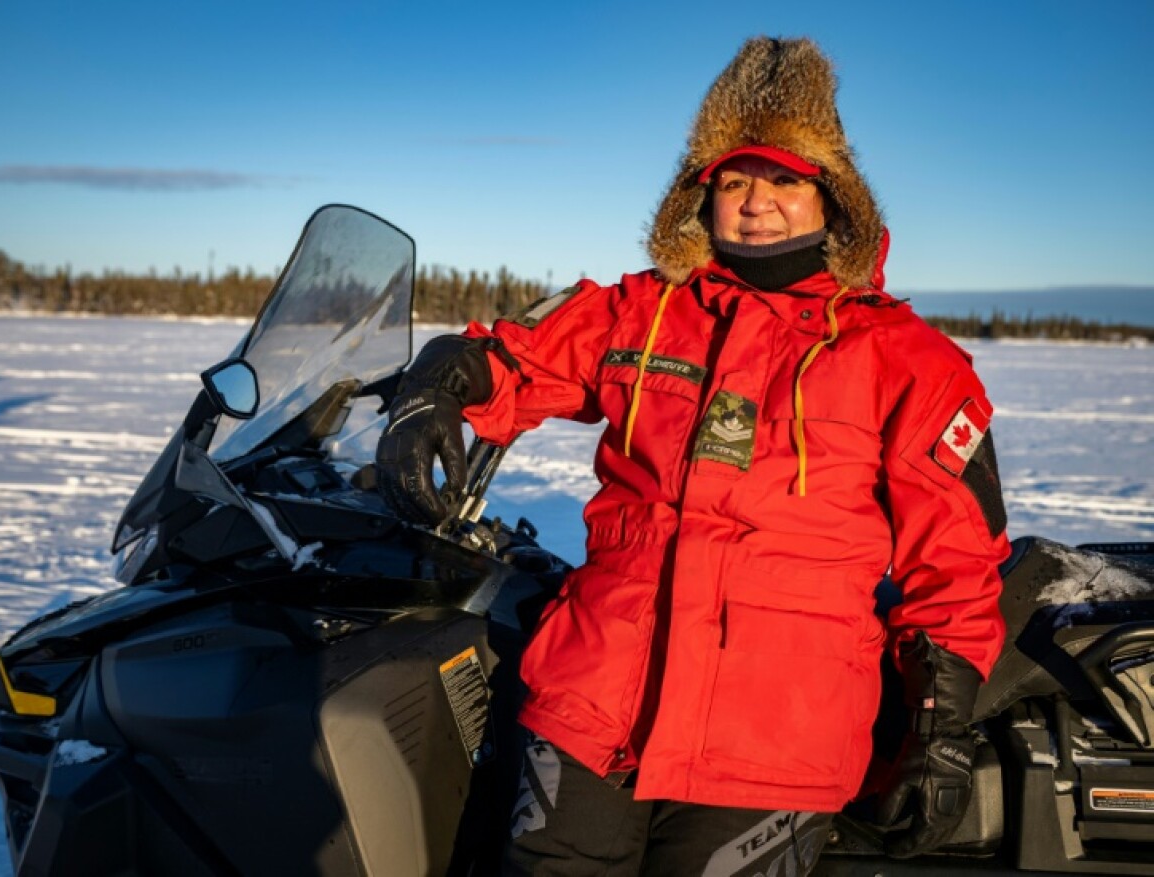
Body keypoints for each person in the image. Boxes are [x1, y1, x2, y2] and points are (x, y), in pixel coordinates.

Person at [376, 36, 1008, 876]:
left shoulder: (906, 357)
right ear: (701, 194)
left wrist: (941, 729)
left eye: (784, 178)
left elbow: (957, 560)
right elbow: (518, 359)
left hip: (777, 733)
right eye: (734, 179)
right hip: (595, 702)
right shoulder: (641, 311)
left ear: (833, 195)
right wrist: (438, 385)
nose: (755, 201)